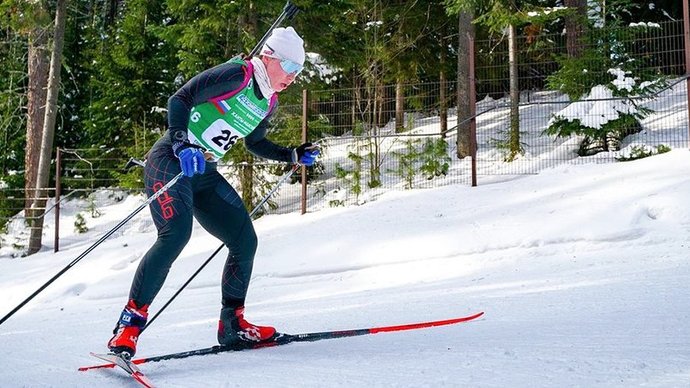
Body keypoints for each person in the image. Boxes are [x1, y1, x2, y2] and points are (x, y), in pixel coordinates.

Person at [107, 27, 319, 358]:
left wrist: (291, 154)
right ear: (270, 57)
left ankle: (232, 325)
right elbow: (180, 98)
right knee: (175, 235)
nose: (292, 77)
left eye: (298, 71)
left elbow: (255, 143)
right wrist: (181, 142)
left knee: (244, 240)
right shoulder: (239, 75)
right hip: (170, 160)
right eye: (290, 67)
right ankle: (128, 327)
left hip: (203, 171)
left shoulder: (268, 101)